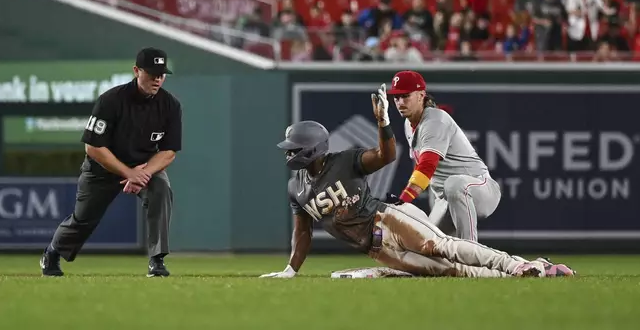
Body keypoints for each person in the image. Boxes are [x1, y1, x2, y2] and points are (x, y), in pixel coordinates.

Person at [260, 85, 575, 278]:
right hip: (376, 249)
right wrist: (290, 270)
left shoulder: (343, 161)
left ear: (313, 148)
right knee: (449, 270)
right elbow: (302, 232)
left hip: (389, 219)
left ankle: (514, 265)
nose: (290, 155)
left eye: (295, 149)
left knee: (442, 246)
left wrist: (383, 122)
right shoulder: (296, 188)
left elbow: (386, 155)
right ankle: (535, 270)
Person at [40, 47, 182, 278]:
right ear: (137, 71)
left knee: (161, 189)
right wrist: (128, 172)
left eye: (162, 74)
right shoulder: (111, 100)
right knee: (83, 219)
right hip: (102, 169)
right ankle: (53, 252)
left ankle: (157, 260)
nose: (157, 78)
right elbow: (93, 147)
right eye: (152, 73)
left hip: (144, 167)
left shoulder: (170, 105)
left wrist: (142, 174)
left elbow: (168, 152)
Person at [388, 70, 498, 242]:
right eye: (396, 97)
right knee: (425, 246)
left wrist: (403, 201)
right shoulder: (408, 125)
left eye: (406, 96)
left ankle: (471, 251)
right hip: (446, 201)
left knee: (454, 184)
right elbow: (419, 168)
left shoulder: (434, 120)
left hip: (479, 188)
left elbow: (426, 166)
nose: (400, 102)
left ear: (421, 95)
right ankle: (531, 265)